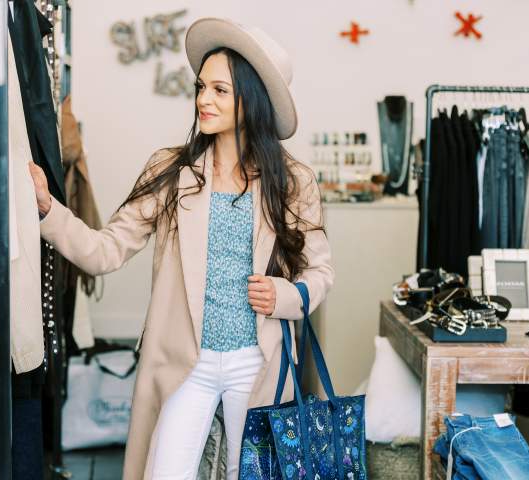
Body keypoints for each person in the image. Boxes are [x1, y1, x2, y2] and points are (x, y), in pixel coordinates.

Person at [29, 17, 334, 480]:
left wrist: (286, 296)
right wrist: (48, 208)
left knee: (244, 473)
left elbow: (320, 272)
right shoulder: (173, 171)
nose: (202, 100)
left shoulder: (294, 182)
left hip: (257, 364)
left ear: (250, 102)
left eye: (219, 90)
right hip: (183, 363)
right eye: (200, 87)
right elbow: (105, 250)